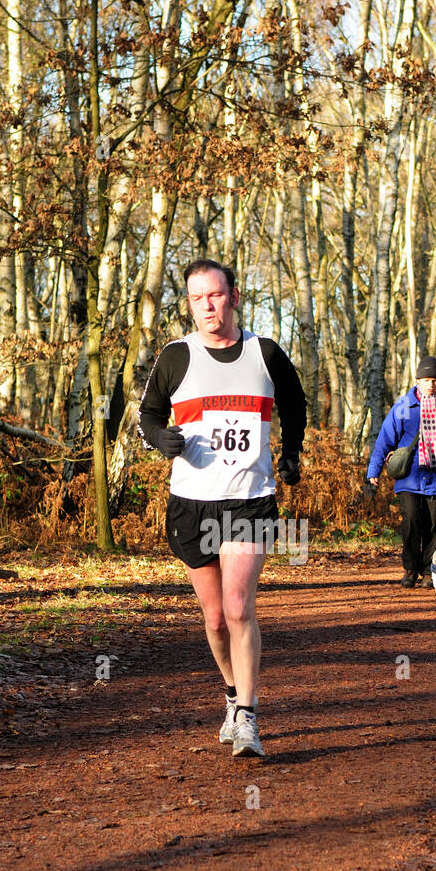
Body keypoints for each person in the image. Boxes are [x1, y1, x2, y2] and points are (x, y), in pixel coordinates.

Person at [138, 259, 306, 759]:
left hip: (249, 500)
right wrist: (159, 437)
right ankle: (233, 696)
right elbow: (147, 414)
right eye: (196, 298)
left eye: (214, 295)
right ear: (189, 303)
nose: (206, 306)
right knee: (213, 619)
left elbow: (294, 403)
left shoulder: (265, 353)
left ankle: (250, 717)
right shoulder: (175, 357)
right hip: (191, 503)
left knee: (238, 606)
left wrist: (292, 451)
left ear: (233, 297)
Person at [367, 356, 436, 586]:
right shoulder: (404, 406)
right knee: (412, 522)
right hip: (409, 477)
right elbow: (385, 439)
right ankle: (410, 569)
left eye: (435, 380)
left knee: (433, 525)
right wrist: (374, 470)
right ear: (418, 380)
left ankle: (428, 570)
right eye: (426, 380)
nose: (430, 385)